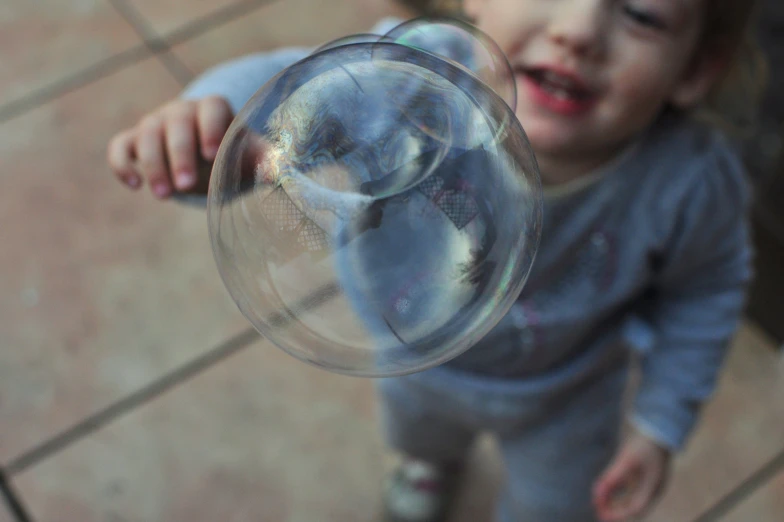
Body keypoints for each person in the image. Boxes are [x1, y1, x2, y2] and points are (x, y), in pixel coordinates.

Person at [106, 0, 767, 520]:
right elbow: (281, 88)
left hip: (568, 395)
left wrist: (659, 424)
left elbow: (706, 292)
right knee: (420, 440)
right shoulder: (406, 85)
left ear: (697, 70)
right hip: (412, 363)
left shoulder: (690, 183)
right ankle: (427, 466)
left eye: (643, 14)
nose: (580, 30)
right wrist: (202, 125)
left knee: (558, 507)